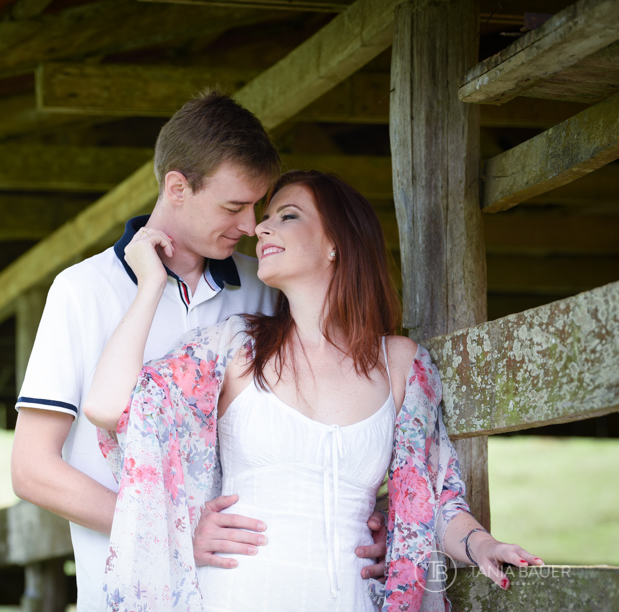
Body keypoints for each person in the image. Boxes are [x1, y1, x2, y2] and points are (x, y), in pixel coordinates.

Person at [84, 170, 544, 611]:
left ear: (335, 245)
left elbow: (433, 494)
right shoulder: (233, 348)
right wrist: (151, 285)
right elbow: (108, 407)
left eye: (286, 215)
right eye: (266, 218)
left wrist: (483, 545)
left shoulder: (402, 364)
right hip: (233, 598)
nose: (260, 227)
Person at [11, 93, 389, 611]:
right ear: (177, 188)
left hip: (241, 588)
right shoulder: (83, 290)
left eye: (258, 206)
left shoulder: (263, 289)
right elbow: (32, 469)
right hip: (124, 593)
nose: (252, 225)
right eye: (234, 207)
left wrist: (368, 514)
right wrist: (174, 531)